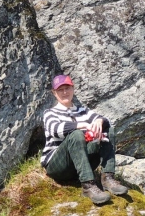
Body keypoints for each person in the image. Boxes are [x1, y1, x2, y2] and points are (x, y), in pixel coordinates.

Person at [41, 75, 128, 204]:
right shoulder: (50, 113)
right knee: (76, 134)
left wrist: (100, 121)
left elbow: (106, 121)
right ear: (54, 93)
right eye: (60, 90)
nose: (65, 92)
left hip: (80, 164)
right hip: (58, 166)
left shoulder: (83, 111)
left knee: (108, 130)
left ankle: (108, 178)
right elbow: (56, 130)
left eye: (67, 88)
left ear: (73, 89)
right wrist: (81, 125)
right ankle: (88, 186)